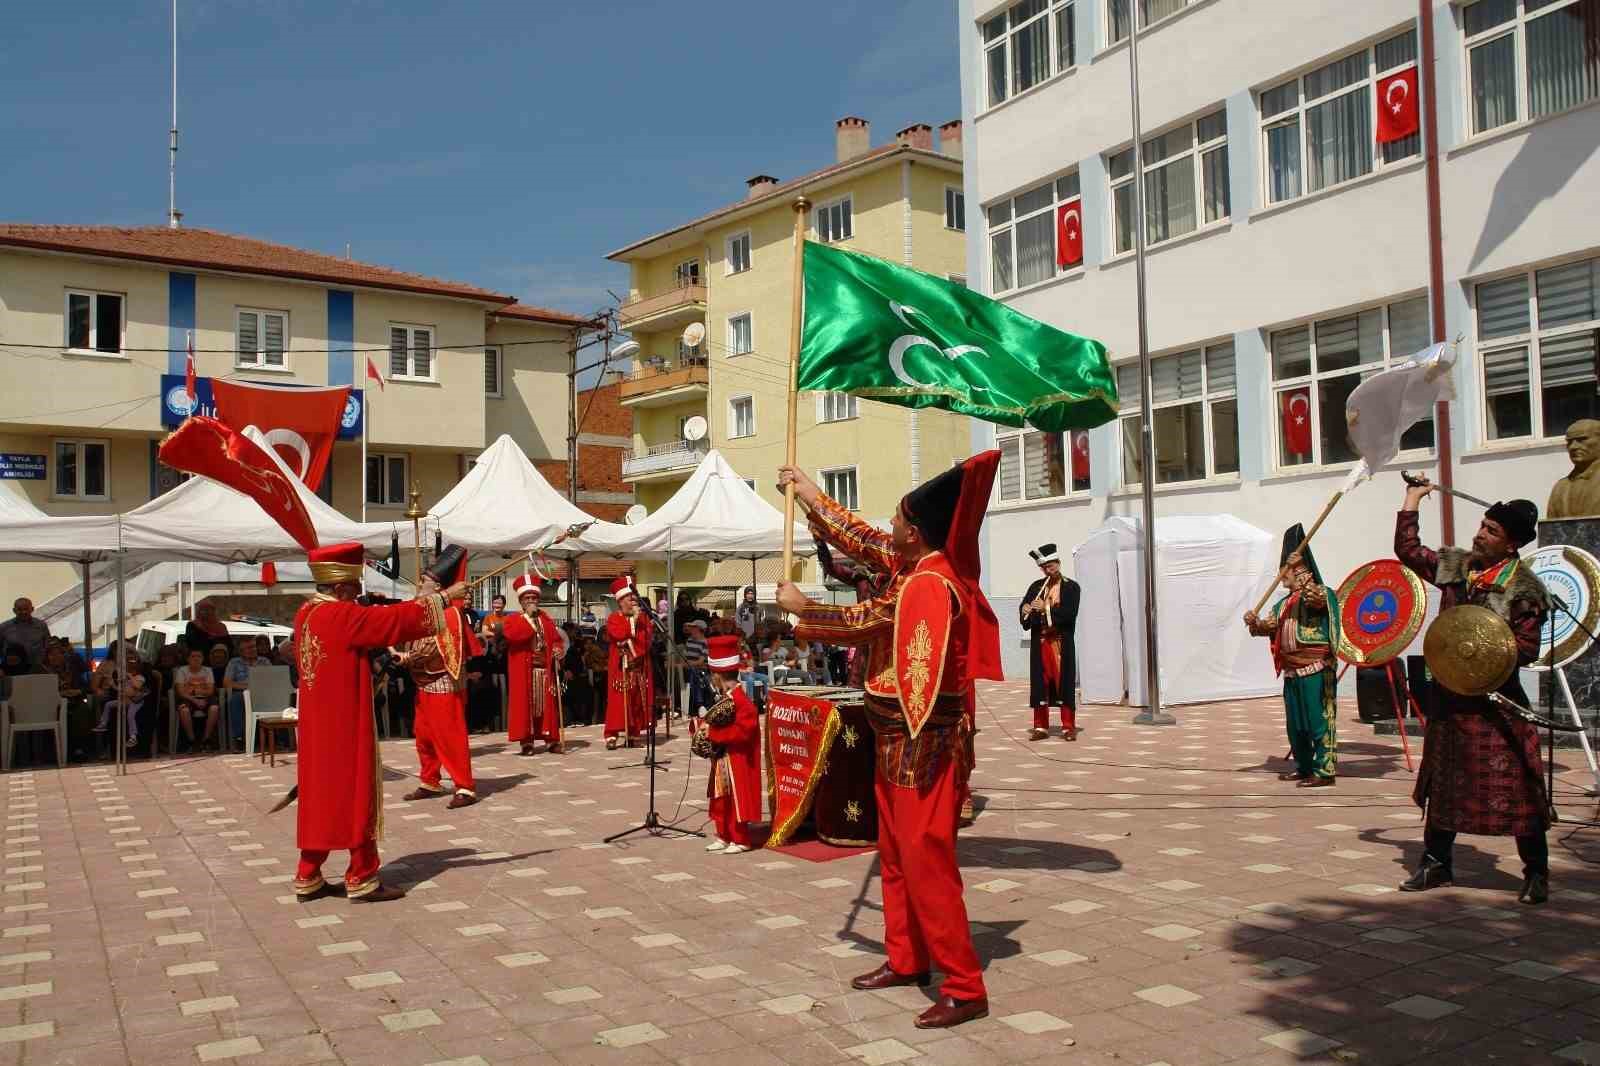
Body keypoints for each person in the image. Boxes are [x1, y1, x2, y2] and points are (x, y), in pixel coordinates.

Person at [776, 454, 1002, 1030]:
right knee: (896, 856)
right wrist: (807, 491)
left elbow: (868, 620)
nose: (891, 526)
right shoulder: (910, 564)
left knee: (927, 860)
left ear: (917, 532)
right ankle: (906, 959)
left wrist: (804, 614)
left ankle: (964, 984)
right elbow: (862, 537)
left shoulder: (928, 582)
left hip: (921, 740)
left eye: (900, 518)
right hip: (890, 731)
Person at [1394, 480, 1552, 905]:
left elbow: (1526, 648)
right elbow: (1409, 551)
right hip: (1449, 702)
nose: (1480, 534)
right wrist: (1413, 498)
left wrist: (1483, 651)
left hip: (1496, 706)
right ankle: (1436, 863)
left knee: (1517, 789)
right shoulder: (1457, 567)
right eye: (1482, 526)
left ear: (1512, 544)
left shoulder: (1526, 590)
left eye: (1492, 531)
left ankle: (1536, 872)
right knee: (1444, 784)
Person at [292, 541, 468, 904]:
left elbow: (381, 617)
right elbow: (393, 622)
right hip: (345, 724)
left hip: (318, 725)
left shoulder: (306, 613)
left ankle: (308, 874)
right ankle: (362, 875)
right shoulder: (340, 616)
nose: (358, 592)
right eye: (353, 586)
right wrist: (444, 599)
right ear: (340, 588)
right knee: (358, 794)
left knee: (320, 798)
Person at [1243, 528, 1339, 786]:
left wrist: (1302, 571)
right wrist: (1255, 622)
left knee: (1318, 721)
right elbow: (1268, 628)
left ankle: (1324, 771)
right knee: (1296, 726)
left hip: (1315, 669)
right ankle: (1304, 765)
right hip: (1292, 672)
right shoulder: (1283, 604)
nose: (1280, 575)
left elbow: (1315, 598)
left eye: (1284, 570)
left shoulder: (1321, 593)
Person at [395, 548, 481, 809]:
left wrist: (404, 657)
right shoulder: (422, 608)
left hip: (443, 682)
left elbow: (432, 648)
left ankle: (465, 786)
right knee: (423, 734)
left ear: (440, 588)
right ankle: (430, 780)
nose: (420, 585)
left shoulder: (449, 614)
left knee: (449, 736)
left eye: (425, 582)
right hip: (424, 682)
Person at [697, 634, 760, 855]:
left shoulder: (742, 701)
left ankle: (740, 838)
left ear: (717, 675)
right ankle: (723, 835)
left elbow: (743, 732)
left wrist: (713, 733)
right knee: (720, 798)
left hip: (737, 759)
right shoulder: (726, 698)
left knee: (735, 800)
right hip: (723, 759)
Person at [1020, 544, 1081, 741]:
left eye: (1051, 565)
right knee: (1041, 684)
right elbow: (1026, 606)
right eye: (1045, 567)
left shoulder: (1071, 587)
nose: (1048, 570)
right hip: (1041, 644)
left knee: (1064, 683)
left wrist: (1044, 608)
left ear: (1058, 563)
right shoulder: (1036, 587)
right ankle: (1040, 727)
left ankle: (1068, 726)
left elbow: (1068, 615)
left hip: (1060, 643)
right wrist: (1025, 610)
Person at [503, 574, 565, 756]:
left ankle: (551, 739)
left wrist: (557, 650)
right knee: (525, 706)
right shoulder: (514, 619)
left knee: (547, 706)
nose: (531, 601)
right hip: (524, 671)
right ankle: (526, 741)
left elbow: (556, 639)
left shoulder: (545, 618)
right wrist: (528, 617)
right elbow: (514, 636)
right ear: (521, 601)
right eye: (527, 598)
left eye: (534, 598)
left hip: (544, 670)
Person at [604, 576, 652, 749]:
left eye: (634, 598)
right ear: (620, 601)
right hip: (620, 667)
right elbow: (618, 635)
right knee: (617, 701)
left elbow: (646, 640)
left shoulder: (644, 619)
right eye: (629, 599)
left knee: (636, 701)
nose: (633, 602)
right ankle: (611, 734)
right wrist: (634, 623)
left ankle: (632, 733)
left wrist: (636, 625)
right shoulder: (613, 618)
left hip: (637, 667)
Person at [222, 637, 270, 752]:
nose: (252, 649)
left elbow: (271, 678)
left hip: (262, 692)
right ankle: (239, 739)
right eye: (248, 648)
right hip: (242, 693)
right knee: (236, 699)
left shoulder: (264, 661)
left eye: (253, 647)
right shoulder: (234, 662)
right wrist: (247, 687)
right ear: (240, 651)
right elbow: (227, 682)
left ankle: (278, 738)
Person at [173, 647, 222, 753]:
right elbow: (181, 692)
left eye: (199, 656)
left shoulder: (208, 670)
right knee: (184, 710)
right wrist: (195, 699)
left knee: (214, 708)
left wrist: (197, 693)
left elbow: (210, 690)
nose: (196, 659)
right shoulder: (182, 670)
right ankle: (192, 741)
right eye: (193, 656)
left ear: (203, 658)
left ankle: (206, 740)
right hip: (188, 699)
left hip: (206, 699)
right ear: (188, 659)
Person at [0, 598, 50, 667]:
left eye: (26, 609)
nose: (24, 612)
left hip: (37, 668)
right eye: (20, 609)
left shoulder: (41, 625)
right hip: (12, 669)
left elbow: (47, 646)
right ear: (14, 610)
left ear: (32, 609)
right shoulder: (4, 627)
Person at [682, 618, 711, 718]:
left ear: (699, 629)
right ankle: (699, 705)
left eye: (693, 628)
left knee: (695, 674)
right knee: (693, 673)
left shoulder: (705, 643)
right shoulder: (689, 640)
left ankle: (700, 705)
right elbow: (684, 658)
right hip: (689, 668)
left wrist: (688, 664)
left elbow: (701, 661)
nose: (691, 630)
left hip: (701, 670)